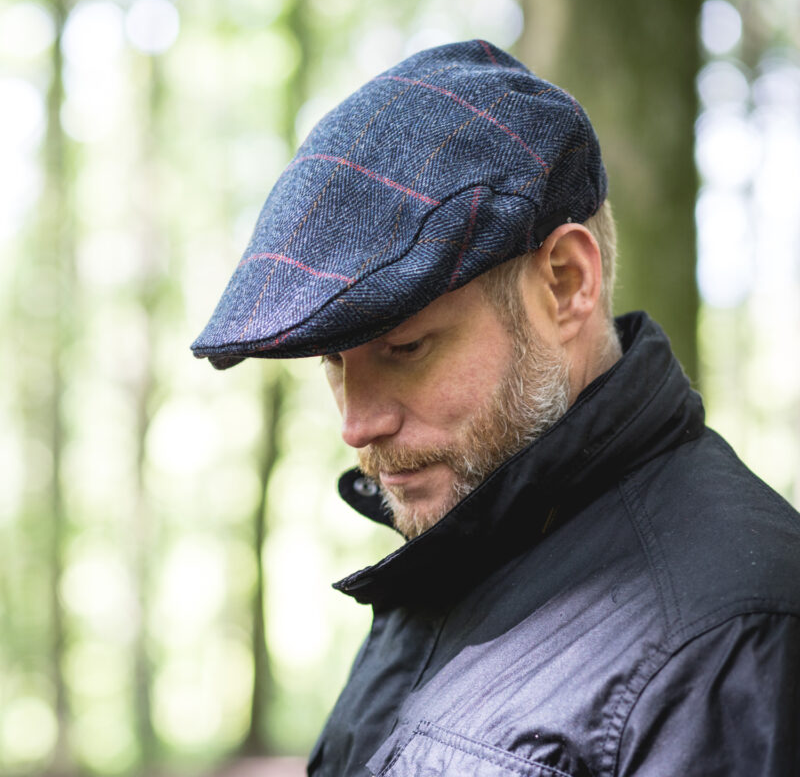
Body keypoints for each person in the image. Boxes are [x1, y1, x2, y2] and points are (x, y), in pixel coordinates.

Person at [192, 41, 800, 776]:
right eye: (333, 363)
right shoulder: (465, 550)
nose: (357, 425)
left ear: (567, 282)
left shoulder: (731, 645)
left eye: (405, 349)